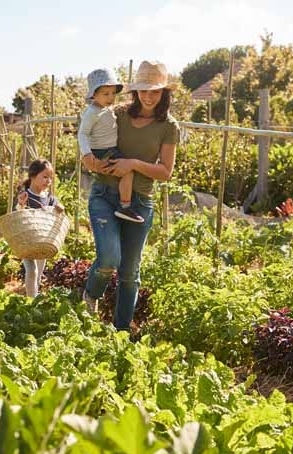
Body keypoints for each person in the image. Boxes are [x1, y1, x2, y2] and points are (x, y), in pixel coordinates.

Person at [81, 60, 179, 332]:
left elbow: (165, 171)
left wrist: (133, 164)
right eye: (144, 91)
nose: (149, 96)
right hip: (105, 194)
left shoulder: (168, 126)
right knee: (109, 259)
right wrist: (87, 158)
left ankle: (121, 331)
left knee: (129, 273)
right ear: (135, 92)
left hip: (139, 203)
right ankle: (90, 295)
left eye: (155, 91)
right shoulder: (117, 113)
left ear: (163, 94)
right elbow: (87, 132)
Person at [78, 68, 143, 224]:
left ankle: (122, 204)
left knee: (123, 170)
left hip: (110, 149)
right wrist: (87, 154)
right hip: (102, 151)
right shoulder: (92, 112)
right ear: (94, 95)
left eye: (113, 93)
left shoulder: (105, 108)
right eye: (106, 94)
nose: (110, 97)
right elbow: (82, 133)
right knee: (128, 172)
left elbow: (114, 111)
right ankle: (125, 206)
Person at [15, 159, 65, 297]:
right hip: (28, 240)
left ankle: (34, 297)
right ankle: (31, 301)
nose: (48, 181)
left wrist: (59, 208)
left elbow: (59, 210)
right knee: (32, 270)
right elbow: (17, 215)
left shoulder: (49, 198)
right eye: (45, 177)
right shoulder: (25, 195)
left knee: (39, 272)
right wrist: (21, 204)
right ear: (32, 176)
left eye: (50, 178)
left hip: (43, 240)